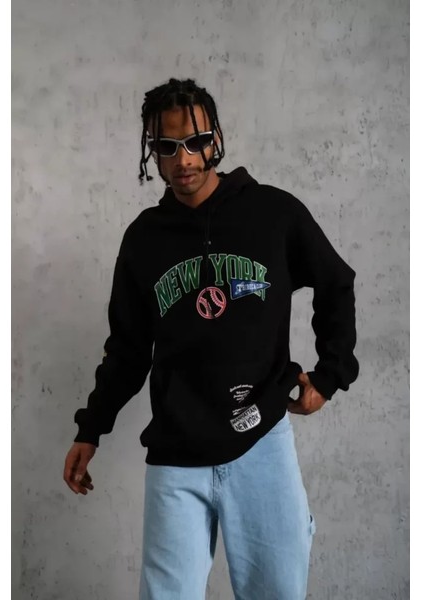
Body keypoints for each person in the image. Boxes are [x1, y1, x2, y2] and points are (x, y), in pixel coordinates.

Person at [63, 77, 359, 599]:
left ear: (216, 138)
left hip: (262, 442)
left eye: (195, 141)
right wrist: (91, 427)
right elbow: (128, 349)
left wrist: (330, 375)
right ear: (152, 151)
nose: (183, 159)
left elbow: (336, 282)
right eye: (167, 146)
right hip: (177, 453)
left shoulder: (273, 214)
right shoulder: (145, 239)